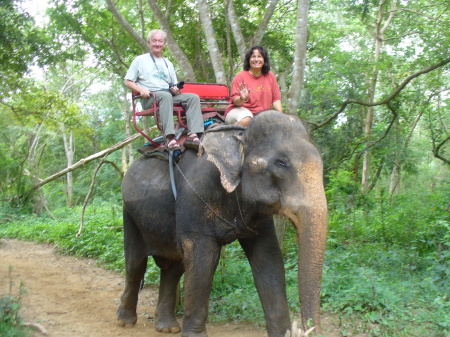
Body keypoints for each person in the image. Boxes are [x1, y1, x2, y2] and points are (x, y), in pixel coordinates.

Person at [124, 29, 204, 150]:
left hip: (168, 95)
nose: (157, 44)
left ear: (164, 44)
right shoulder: (139, 60)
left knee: (193, 97)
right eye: (154, 41)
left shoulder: (168, 63)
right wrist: (141, 90)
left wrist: (176, 90)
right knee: (165, 96)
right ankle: (170, 137)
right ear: (149, 43)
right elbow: (127, 81)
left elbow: (173, 84)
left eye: (160, 41)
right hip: (150, 97)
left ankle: (193, 134)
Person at [224, 46, 283, 127]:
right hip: (238, 111)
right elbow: (235, 101)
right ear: (249, 60)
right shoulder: (240, 76)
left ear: (264, 60)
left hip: (261, 115)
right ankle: (232, 135)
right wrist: (242, 98)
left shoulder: (270, 76)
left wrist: (281, 117)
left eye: (259, 56)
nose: (256, 59)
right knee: (248, 120)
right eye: (253, 57)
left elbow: (276, 99)